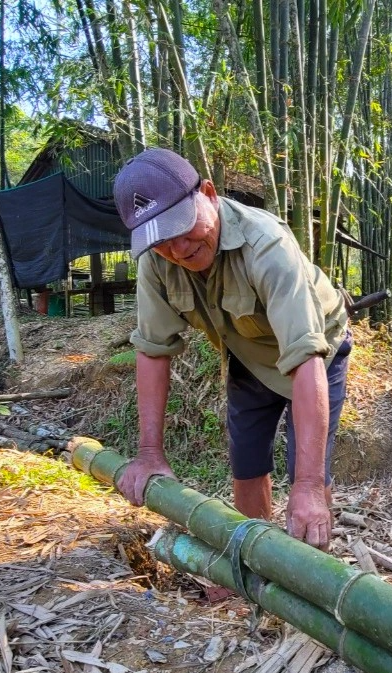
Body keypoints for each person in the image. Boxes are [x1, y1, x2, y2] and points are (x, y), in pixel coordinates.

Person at [111, 148, 351, 551]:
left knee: (307, 474)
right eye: (162, 241)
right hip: (246, 353)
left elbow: (306, 355)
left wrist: (308, 485)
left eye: (183, 227)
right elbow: (153, 350)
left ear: (207, 192)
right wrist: (149, 452)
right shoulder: (156, 260)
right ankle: (247, 561)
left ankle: (308, 565)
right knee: (247, 461)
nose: (178, 249)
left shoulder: (267, 244)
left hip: (316, 348)